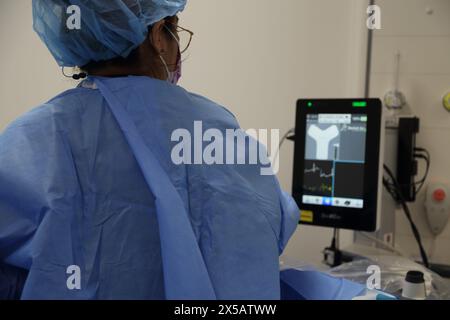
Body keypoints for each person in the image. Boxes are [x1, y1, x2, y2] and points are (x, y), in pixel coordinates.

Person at [0, 0, 299, 299]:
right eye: (177, 30)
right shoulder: (216, 129)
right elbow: (274, 223)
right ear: (158, 35)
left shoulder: (29, 139)